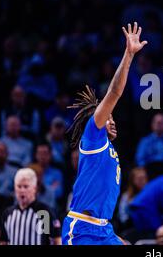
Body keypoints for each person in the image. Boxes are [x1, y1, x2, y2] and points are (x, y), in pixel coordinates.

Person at [61, 21, 147, 245]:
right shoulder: (93, 135)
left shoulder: (108, 149)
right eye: (108, 116)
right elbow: (115, 91)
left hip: (103, 228)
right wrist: (128, 56)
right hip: (82, 230)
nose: (112, 120)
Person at [1, 168, 61, 245]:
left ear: (34, 188)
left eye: (26, 186)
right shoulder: (8, 214)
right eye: (19, 186)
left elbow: (56, 240)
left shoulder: (44, 212)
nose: (22, 190)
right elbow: (4, 241)